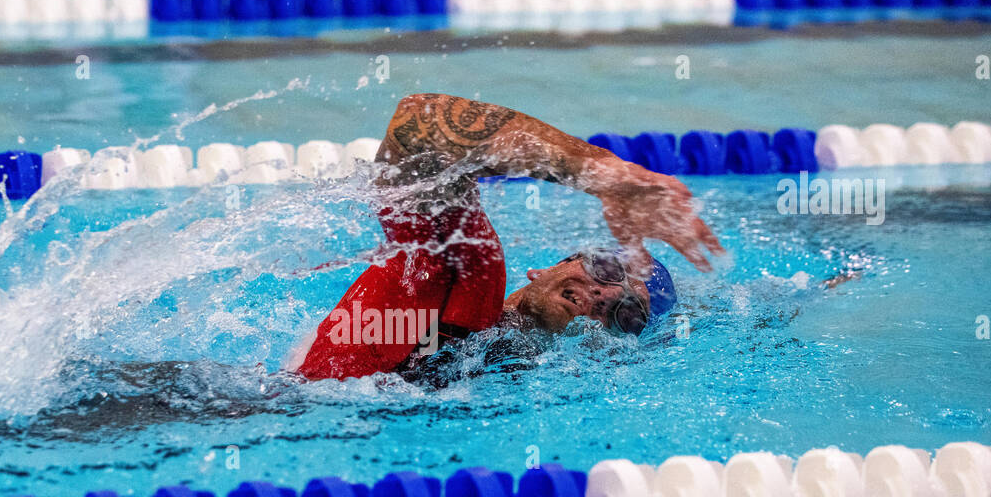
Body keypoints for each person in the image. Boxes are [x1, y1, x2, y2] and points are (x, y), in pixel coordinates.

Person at [290, 93, 725, 381]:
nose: (608, 296)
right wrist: (608, 177)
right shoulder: (466, 269)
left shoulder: (505, 368)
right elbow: (419, 124)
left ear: (612, 350)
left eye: (629, 314)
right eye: (608, 270)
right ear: (553, 266)